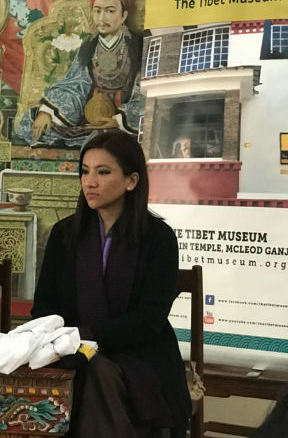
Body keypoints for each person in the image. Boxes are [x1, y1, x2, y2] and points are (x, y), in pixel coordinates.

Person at [31, 130, 190, 437]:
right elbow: (45, 306)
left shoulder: (158, 238)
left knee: (97, 371)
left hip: (139, 353)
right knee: (86, 368)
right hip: (74, 349)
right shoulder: (65, 234)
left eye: (103, 172)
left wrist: (86, 337)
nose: (90, 182)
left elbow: (149, 320)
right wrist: (65, 341)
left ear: (131, 181)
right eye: (85, 171)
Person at [14, 0, 143, 148]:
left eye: (110, 11)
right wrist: (48, 112)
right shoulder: (89, 47)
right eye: (97, 11)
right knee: (29, 124)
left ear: (124, 16)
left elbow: (144, 90)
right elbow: (75, 86)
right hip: (89, 117)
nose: (102, 17)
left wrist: (119, 120)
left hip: (122, 120)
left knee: (128, 135)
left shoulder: (138, 47)